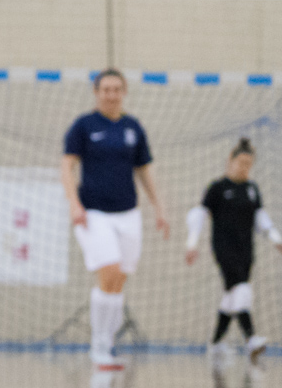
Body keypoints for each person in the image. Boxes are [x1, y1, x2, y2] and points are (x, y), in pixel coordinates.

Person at [61, 69, 170, 371]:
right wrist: (74, 205)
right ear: (96, 92)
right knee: (107, 271)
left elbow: (145, 170)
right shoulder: (83, 126)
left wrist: (159, 208)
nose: (111, 94)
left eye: (117, 89)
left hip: (128, 214)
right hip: (94, 213)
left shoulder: (133, 127)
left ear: (124, 92)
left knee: (119, 279)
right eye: (106, 89)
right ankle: (98, 345)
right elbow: (66, 167)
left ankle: (107, 344)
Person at [185, 137, 280, 361]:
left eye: (249, 164)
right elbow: (199, 216)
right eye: (241, 162)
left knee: (231, 297)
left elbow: (260, 217)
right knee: (242, 288)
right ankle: (251, 338)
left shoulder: (252, 189)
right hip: (224, 248)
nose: (244, 168)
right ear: (231, 160)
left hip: (246, 249)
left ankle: (216, 344)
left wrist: (276, 238)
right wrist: (192, 244)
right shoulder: (217, 188)